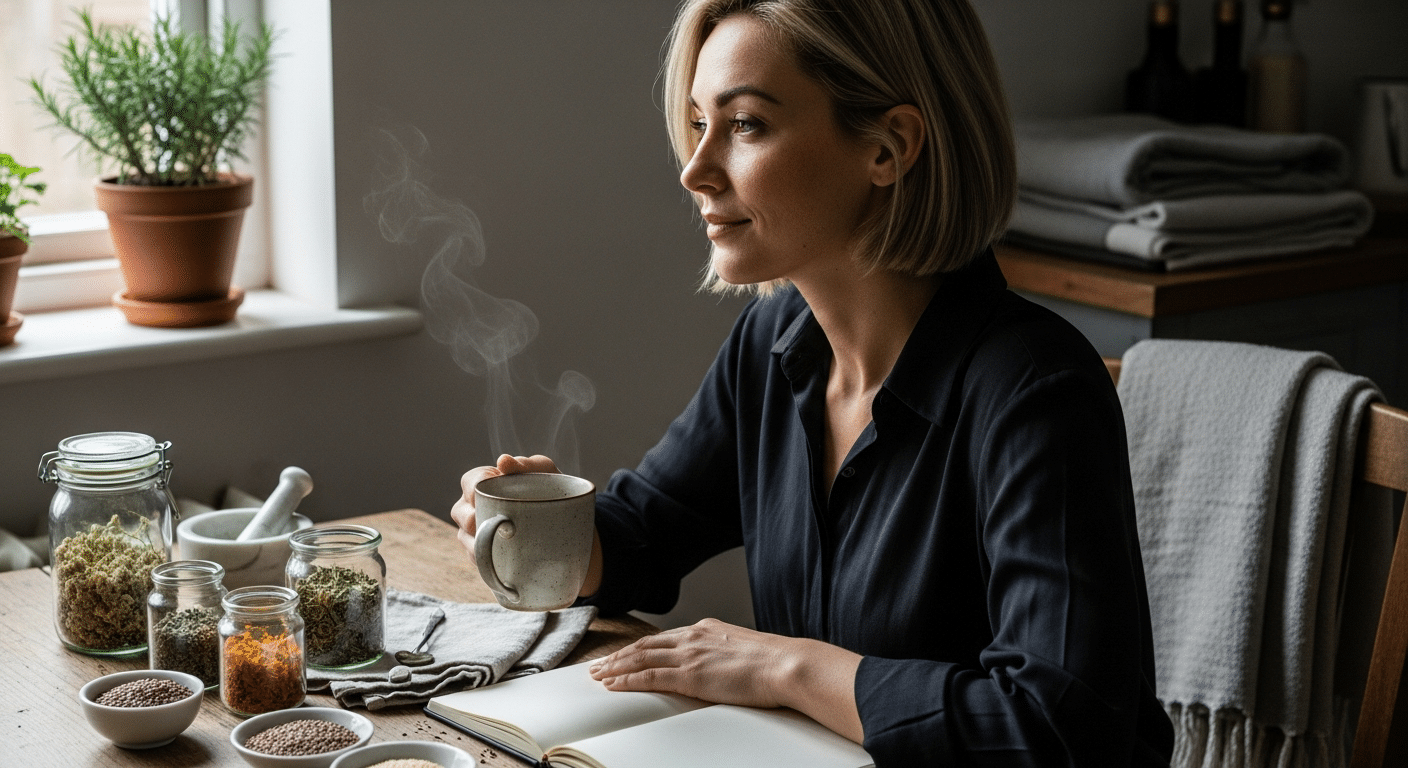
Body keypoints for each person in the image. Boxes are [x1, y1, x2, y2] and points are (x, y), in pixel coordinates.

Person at [452, 1, 1175, 765]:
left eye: (747, 125)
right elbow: (644, 535)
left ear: (890, 148)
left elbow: (1056, 726)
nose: (694, 169)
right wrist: (547, 536)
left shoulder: (1033, 390)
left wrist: (785, 666)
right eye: (700, 123)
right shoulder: (772, 343)